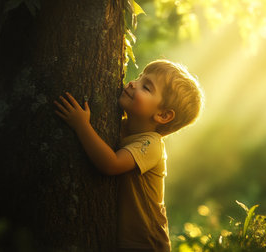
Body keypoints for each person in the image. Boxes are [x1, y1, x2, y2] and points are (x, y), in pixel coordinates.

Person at [53, 59, 204, 251]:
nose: (133, 83)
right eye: (140, 77)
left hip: (147, 243)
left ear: (163, 115)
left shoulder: (151, 144)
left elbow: (111, 164)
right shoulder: (122, 127)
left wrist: (81, 125)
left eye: (146, 87)